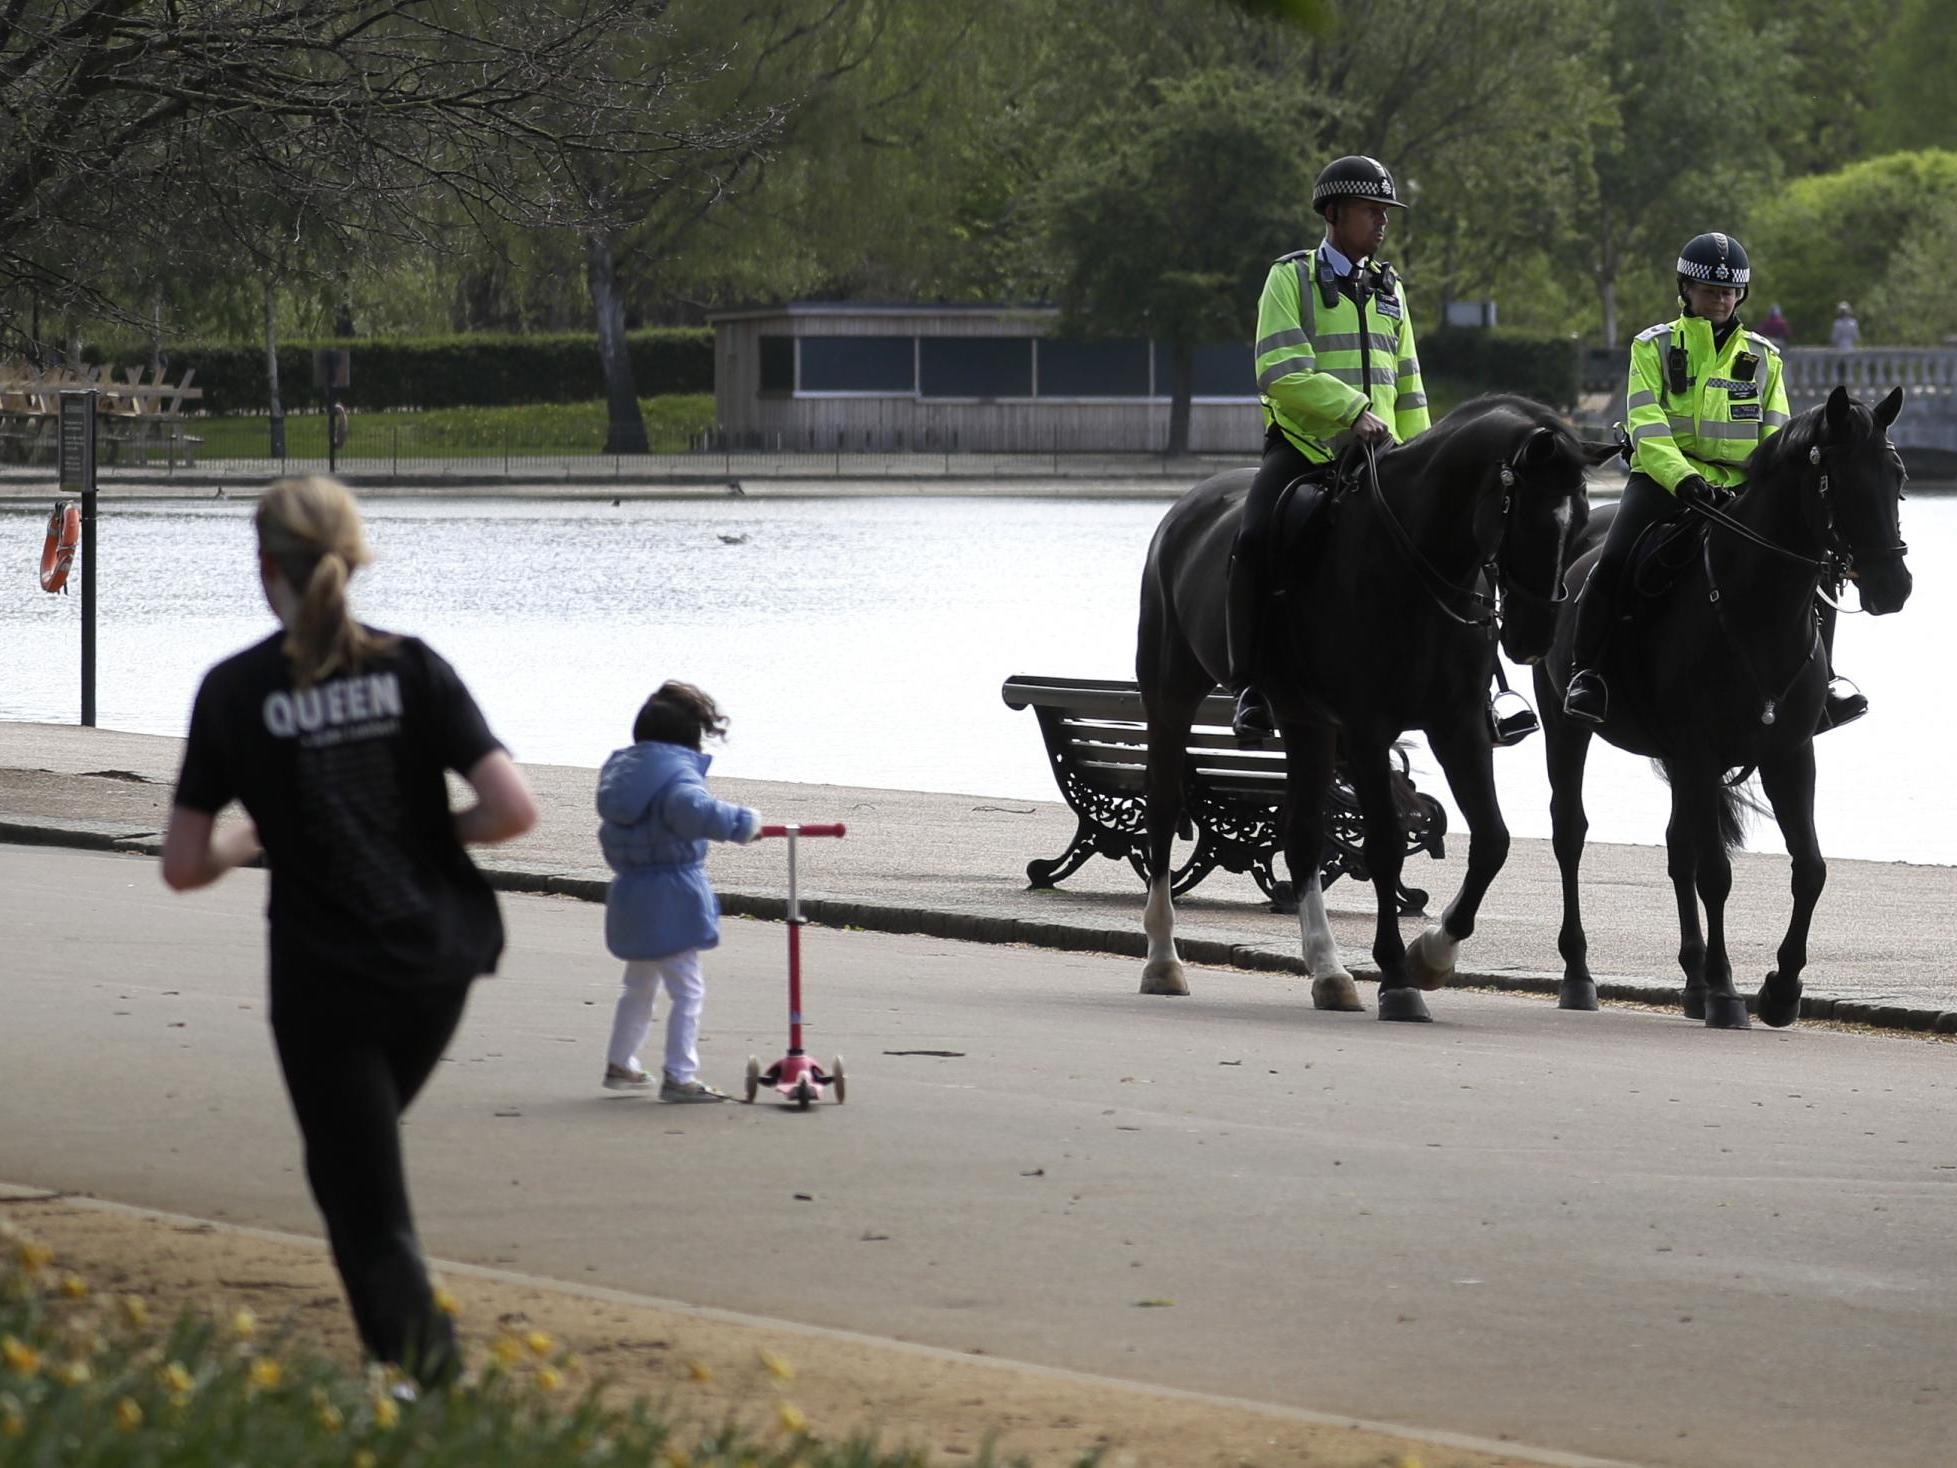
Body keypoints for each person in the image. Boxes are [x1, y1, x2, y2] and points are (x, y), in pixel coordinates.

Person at [161, 475, 538, 1389]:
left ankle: (435, 1391)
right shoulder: (413, 668)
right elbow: (511, 810)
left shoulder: (236, 690)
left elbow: (181, 863)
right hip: (432, 964)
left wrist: (254, 836)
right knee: (347, 1173)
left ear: (264, 567)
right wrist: (419, 832)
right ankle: (400, 1374)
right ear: (351, 557)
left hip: (325, 980)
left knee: (363, 1195)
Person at [1564, 234, 1866, 730]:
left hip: (1745, 488)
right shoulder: (1652, 346)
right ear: (1685, 289)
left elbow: (1777, 433)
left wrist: (1759, 484)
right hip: (1665, 482)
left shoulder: (1765, 356)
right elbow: (1646, 424)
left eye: (1729, 292)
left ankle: (1824, 684)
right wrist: (1683, 480)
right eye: (1709, 291)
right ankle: (1588, 674)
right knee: (1612, 562)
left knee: (1814, 565)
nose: (1721, 300)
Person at [1232, 154, 1429, 739]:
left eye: (1386, 212)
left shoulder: (1391, 288)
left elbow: (1411, 384)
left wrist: (1424, 457)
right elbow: (1281, 370)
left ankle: (1478, 686)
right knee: (1254, 538)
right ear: (1335, 212)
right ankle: (1250, 685)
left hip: (1384, 460)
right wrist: (1353, 412)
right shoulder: (1288, 278)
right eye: (1373, 210)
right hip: (1305, 448)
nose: (1383, 221)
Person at [597, 681, 762, 1102]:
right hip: (671, 894)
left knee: (639, 983)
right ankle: (680, 1075)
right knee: (687, 989)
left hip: (632, 890)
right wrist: (743, 823)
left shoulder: (625, 774)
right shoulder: (675, 775)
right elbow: (693, 810)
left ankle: (621, 1062)